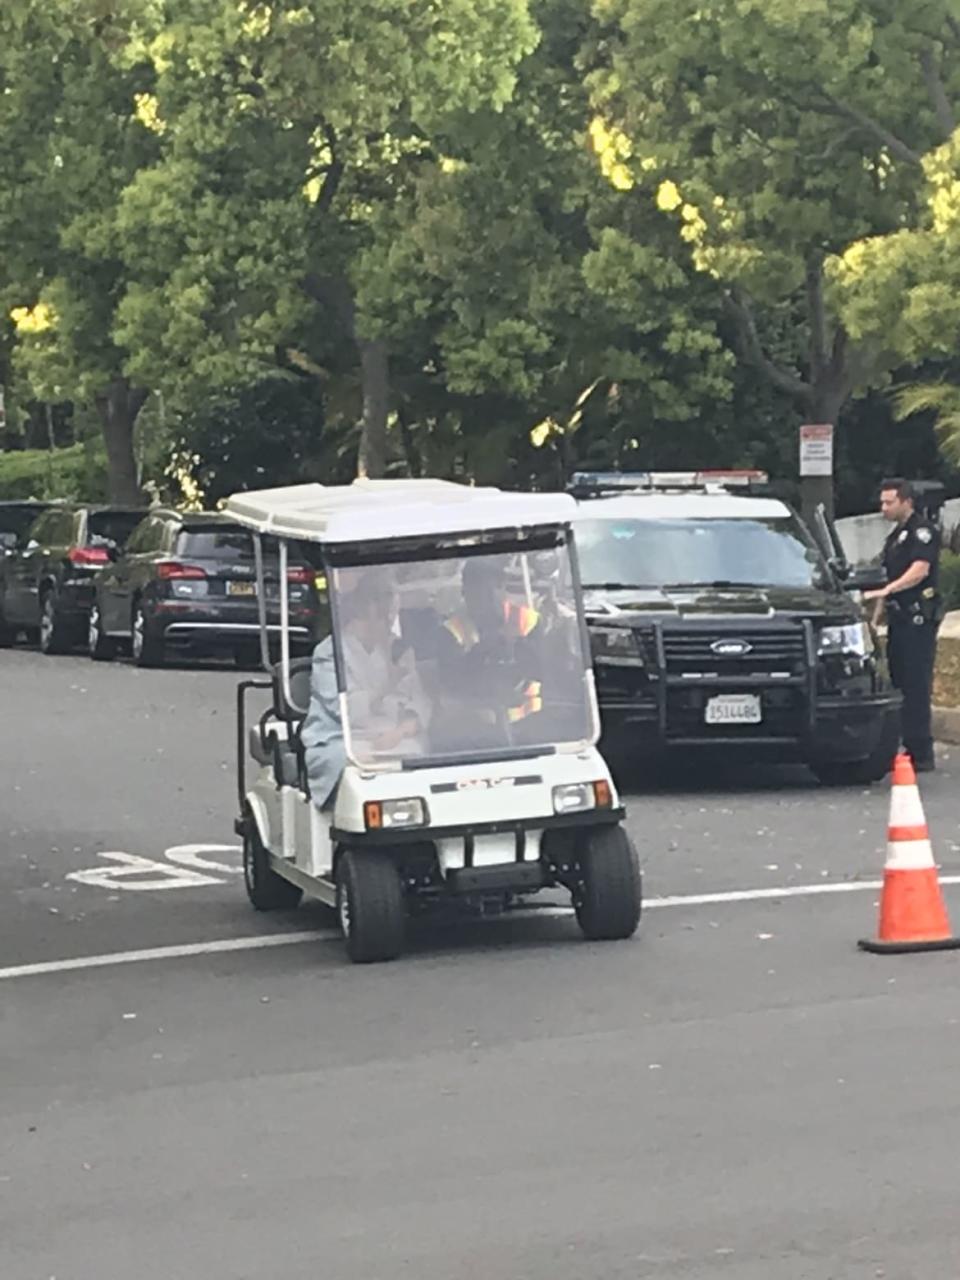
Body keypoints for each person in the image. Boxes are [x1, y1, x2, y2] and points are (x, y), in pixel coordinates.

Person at [301, 570, 429, 809]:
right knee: (358, 766)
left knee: (422, 755)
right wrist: (388, 682)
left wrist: (400, 731)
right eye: (381, 607)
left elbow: (419, 700)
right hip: (342, 740)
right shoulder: (330, 653)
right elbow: (346, 710)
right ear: (362, 607)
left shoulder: (396, 649)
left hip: (393, 738)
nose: (387, 616)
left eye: (391, 607)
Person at [863, 478, 943, 772]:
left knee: (916, 683)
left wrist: (887, 591)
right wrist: (874, 618)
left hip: (917, 617)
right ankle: (904, 745)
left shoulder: (921, 532)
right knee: (898, 681)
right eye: (882, 502)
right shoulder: (896, 536)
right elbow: (886, 578)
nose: (883, 507)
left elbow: (919, 571)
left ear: (906, 501)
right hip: (899, 619)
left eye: (889, 502)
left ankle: (921, 750)